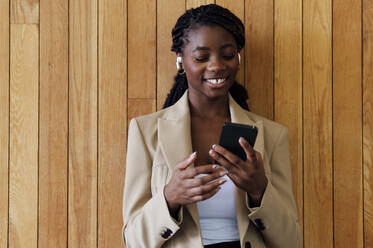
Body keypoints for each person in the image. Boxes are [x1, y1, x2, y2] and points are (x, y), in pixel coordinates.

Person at [122, 4, 300, 248]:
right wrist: (170, 198)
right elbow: (133, 241)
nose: (217, 66)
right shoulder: (145, 132)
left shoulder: (272, 135)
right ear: (181, 62)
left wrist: (260, 191)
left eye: (227, 54)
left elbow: (291, 241)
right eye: (201, 57)